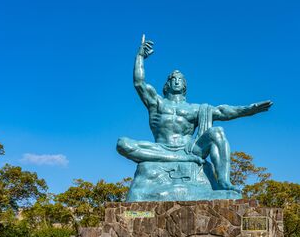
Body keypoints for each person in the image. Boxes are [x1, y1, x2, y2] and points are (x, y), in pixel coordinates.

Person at [117, 37, 272, 192]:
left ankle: (223, 181)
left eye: (180, 79)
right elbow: (139, 83)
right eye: (173, 79)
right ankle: (181, 160)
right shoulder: (156, 102)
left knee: (217, 132)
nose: (177, 81)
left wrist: (249, 109)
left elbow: (223, 111)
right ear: (167, 85)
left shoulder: (195, 108)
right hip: (161, 148)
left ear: (185, 86)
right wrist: (140, 57)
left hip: (189, 149)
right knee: (122, 143)